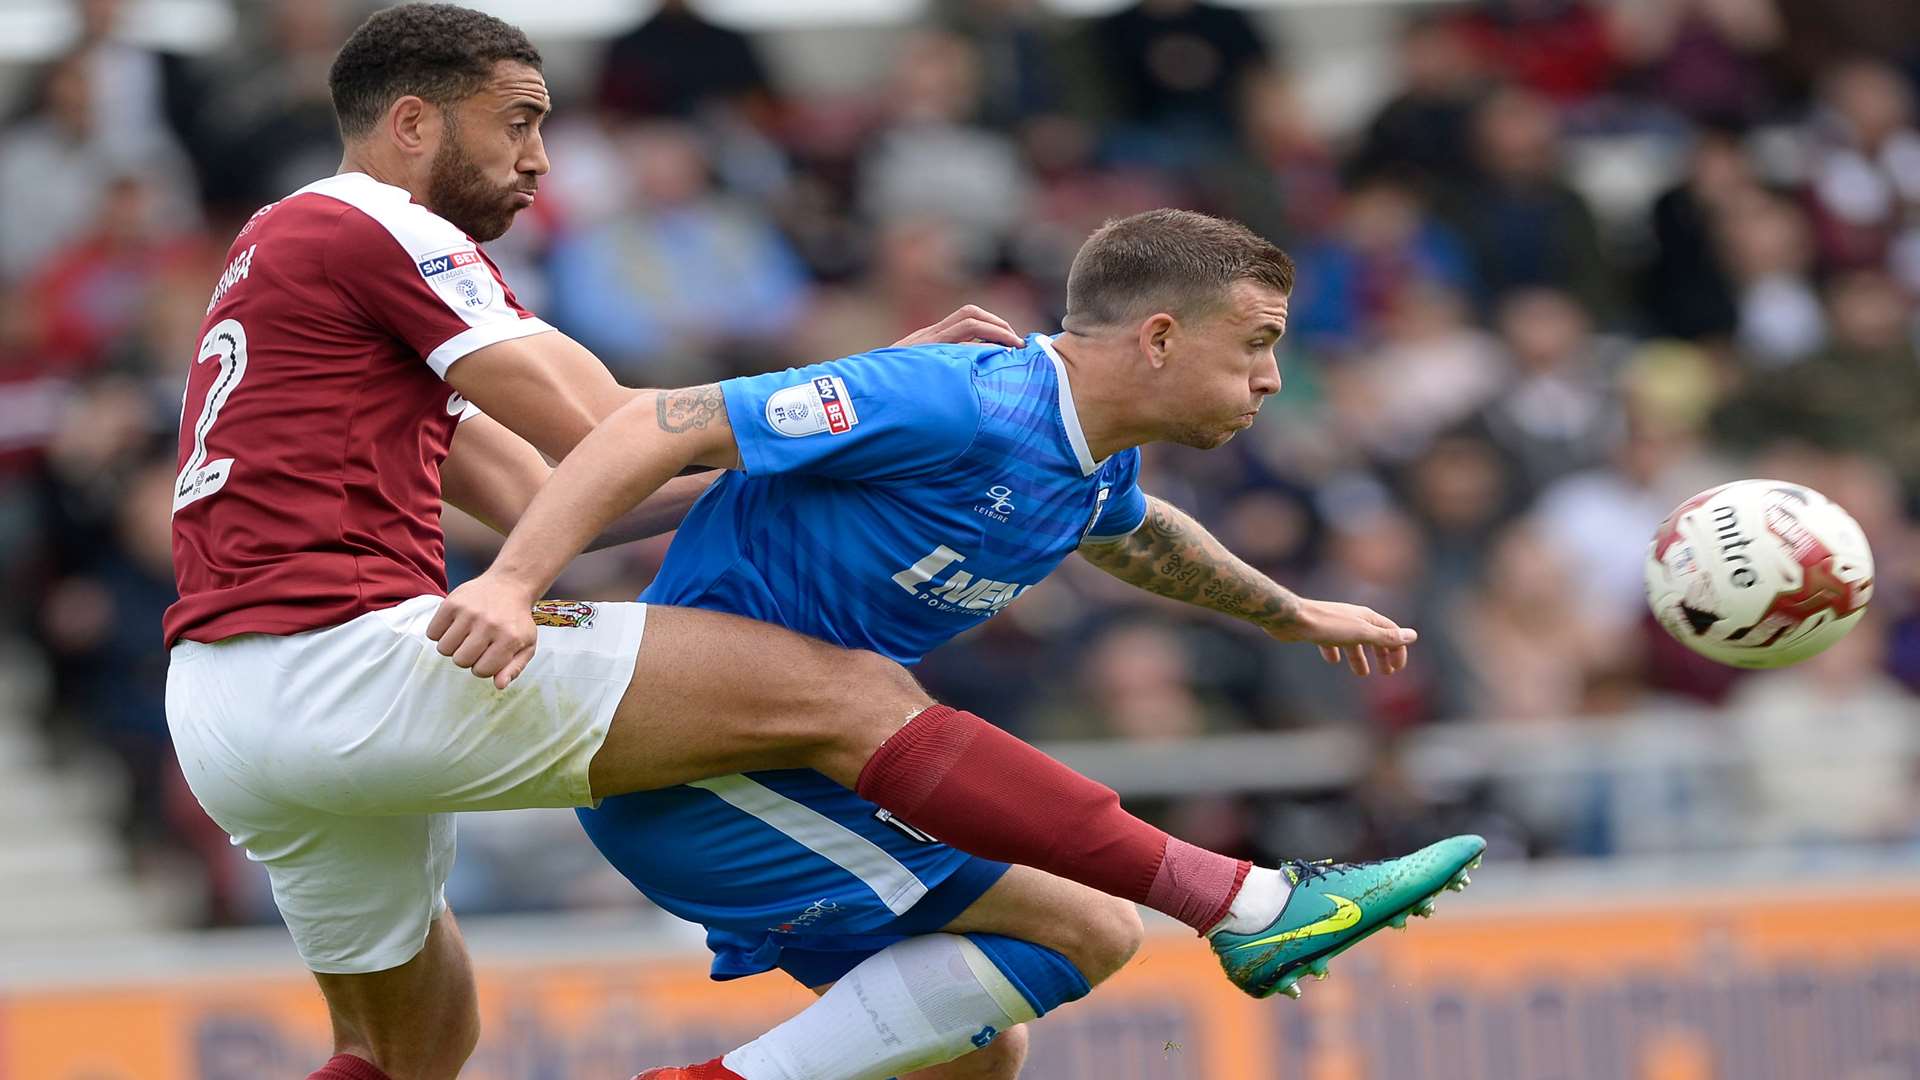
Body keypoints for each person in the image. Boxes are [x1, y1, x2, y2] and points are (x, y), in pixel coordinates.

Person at [166, 9, 1472, 1080]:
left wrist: (839, 423)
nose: (542, 159)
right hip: (335, 660)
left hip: (238, 715)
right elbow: (625, 424)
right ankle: (1246, 905)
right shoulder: (377, 224)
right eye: (519, 121)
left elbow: (599, 486)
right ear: (411, 123)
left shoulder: (299, 281)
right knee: (848, 696)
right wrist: (872, 389)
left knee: (408, 1047)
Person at [434, 210, 1487, 1080]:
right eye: (1255, 343)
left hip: (806, 773)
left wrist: (1289, 613)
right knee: (1088, 924)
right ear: (1160, 338)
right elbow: (653, 425)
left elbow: (1137, 534)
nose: (1269, 379)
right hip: (700, 772)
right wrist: (517, 582)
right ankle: (1251, 903)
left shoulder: (1085, 463)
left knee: (973, 1050)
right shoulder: (955, 396)